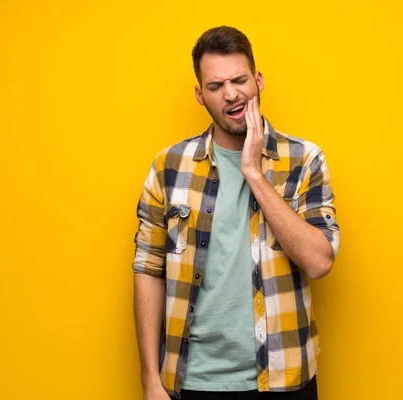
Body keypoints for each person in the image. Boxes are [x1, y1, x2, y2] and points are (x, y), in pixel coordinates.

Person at [132, 26, 340, 400]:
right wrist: (150, 378)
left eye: (239, 80)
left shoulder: (304, 161)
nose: (231, 95)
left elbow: (319, 261)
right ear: (200, 95)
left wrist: (254, 174)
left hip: (284, 379)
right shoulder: (169, 167)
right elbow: (148, 268)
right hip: (193, 382)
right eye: (215, 86)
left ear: (258, 81)